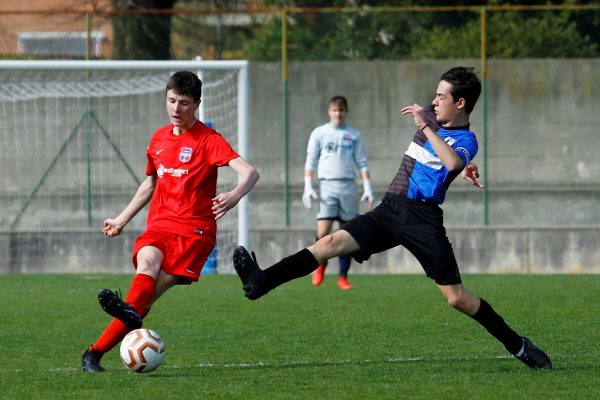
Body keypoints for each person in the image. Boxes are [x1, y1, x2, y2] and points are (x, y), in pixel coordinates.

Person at [232, 67, 552, 370]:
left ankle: (520, 346)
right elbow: (446, 159)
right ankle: (262, 281)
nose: (434, 100)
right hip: (390, 209)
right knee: (327, 242)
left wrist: (442, 143)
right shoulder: (433, 116)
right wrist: (443, 143)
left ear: (461, 103)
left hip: (421, 220)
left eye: (442, 96)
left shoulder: (464, 139)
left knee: (458, 299)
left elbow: (452, 161)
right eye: (435, 95)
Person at [81, 71, 259, 372]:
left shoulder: (209, 140)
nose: (177, 109)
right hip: (161, 225)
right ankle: (101, 348)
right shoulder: (158, 138)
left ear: (197, 104)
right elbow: (150, 183)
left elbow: (250, 172)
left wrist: (236, 194)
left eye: (185, 103)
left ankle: (95, 351)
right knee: (147, 264)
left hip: (194, 233)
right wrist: (122, 219)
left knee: (142, 298)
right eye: (172, 100)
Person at [302, 95, 373, 290]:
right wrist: (308, 185)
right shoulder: (319, 133)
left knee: (347, 233)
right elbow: (311, 160)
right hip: (327, 186)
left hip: (348, 186)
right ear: (329, 112)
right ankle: (320, 265)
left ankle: (343, 277)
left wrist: (368, 188)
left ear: (346, 112)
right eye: (334, 110)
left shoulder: (354, 135)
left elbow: (362, 163)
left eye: (341, 110)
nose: (338, 114)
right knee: (323, 232)